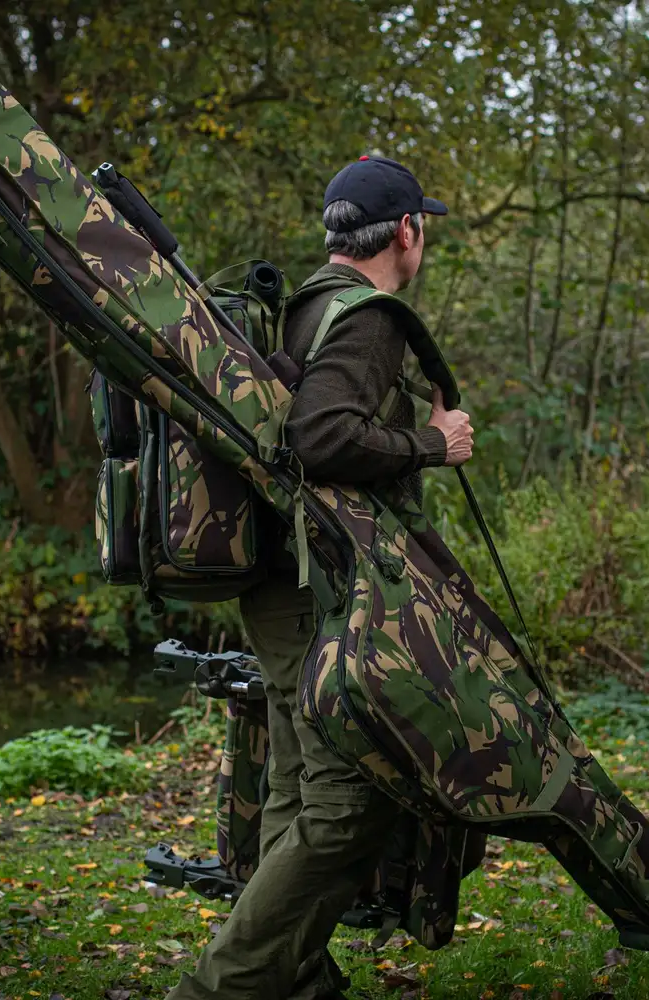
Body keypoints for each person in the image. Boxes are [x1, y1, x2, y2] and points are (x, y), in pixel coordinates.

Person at [164, 155, 475, 1000]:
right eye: (425, 225)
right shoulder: (370, 319)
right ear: (406, 231)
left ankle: (297, 984)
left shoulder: (302, 306)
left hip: (275, 586)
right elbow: (323, 437)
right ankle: (221, 988)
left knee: (298, 792)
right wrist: (432, 445)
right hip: (322, 590)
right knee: (347, 808)